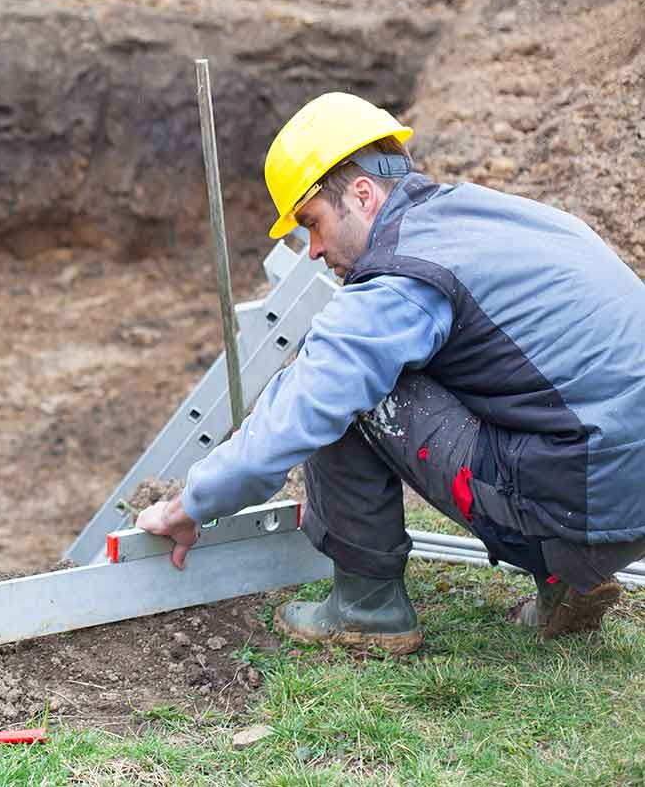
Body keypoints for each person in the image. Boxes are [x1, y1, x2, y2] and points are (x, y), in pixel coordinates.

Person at [134, 92, 645, 654]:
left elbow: (305, 406)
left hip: (577, 506)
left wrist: (191, 505)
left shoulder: (403, 275)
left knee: (340, 380)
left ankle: (366, 608)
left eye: (313, 224)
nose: (314, 250)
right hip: (622, 493)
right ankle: (568, 581)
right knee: (450, 367)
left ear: (361, 193)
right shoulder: (487, 215)